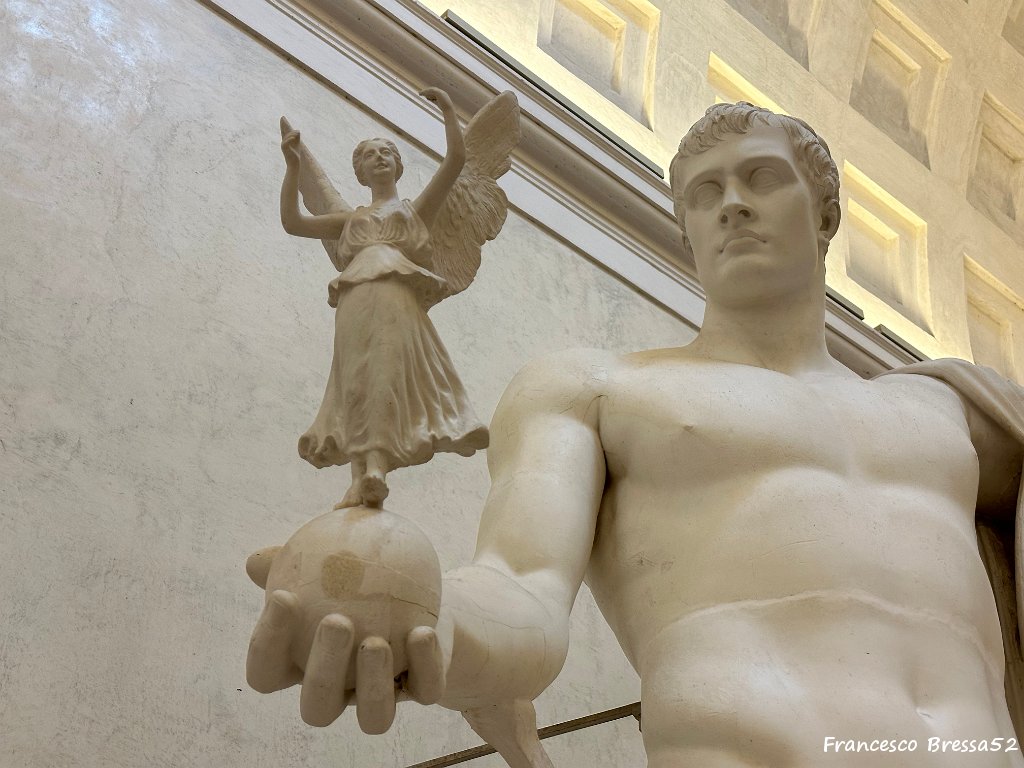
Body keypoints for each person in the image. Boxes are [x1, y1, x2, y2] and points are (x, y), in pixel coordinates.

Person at [250, 102, 1024, 767]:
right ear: (686, 232)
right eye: (704, 194)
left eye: (761, 177)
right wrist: (427, 616)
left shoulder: (953, 414)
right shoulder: (596, 390)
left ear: (824, 213)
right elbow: (520, 587)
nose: (731, 205)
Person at [279, 88, 488, 509]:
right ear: (359, 172)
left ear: (397, 165)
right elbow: (293, 222)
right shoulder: (349, 219)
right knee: (354, 380)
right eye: (370, 155)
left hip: (395, 295)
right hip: (355, 298)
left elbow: (456, 161)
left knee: (384, 374)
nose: (379, 158)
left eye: (386, 153)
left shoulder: (414, 211)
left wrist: (449, 110)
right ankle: (360, 479)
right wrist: (293, 167)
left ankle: (376, 465)